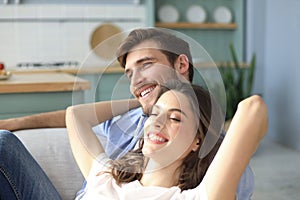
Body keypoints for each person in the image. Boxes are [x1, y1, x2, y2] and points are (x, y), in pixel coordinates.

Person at [0, 28, 253, 198]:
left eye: (146, 65)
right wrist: (144, 101)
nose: (135, 82)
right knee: (3, 142)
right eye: (130, 74)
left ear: (181, 64)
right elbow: (75, 116)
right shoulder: (133, 120)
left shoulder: (213, 151)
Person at [65, 81, 268, 199]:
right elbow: (75, 115)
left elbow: (253, 108)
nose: (158, 122)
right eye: (154, 114)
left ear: (197, 142)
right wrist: (143, 102)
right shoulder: (105, 177)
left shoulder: (196, 197)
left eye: (174, 118)